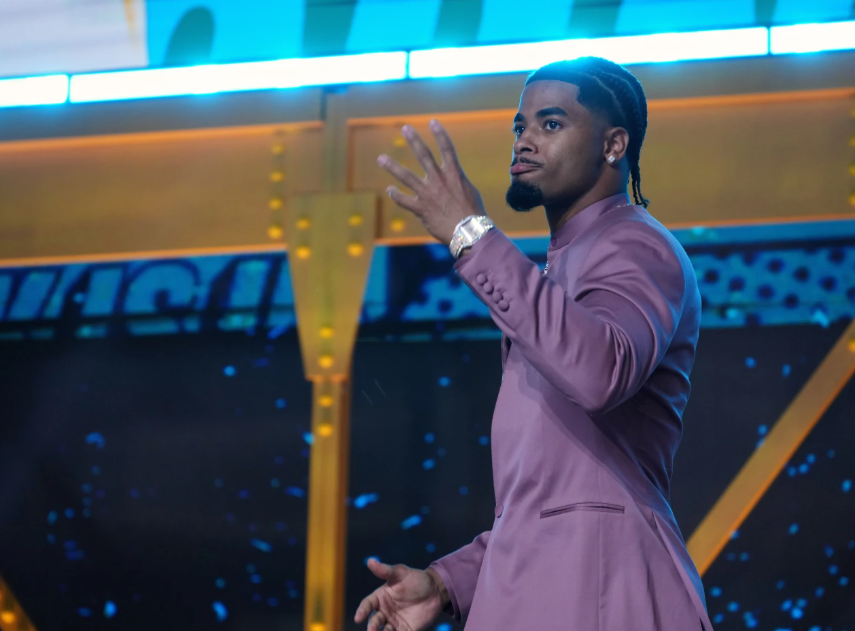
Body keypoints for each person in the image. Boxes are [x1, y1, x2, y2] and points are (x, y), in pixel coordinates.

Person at [354, 56, 712, 631]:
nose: (524, 141)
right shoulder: (553, 279)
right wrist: (448, 583)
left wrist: (472, 235)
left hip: (602, 594)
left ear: (613, 145)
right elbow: (545, 498)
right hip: (543, 592)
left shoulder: (638, 245)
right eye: (519, 127)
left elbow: (601, 371)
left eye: (550, 124)